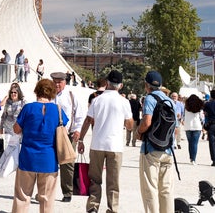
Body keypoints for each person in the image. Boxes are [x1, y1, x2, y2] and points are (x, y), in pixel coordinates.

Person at [76, 69, 133, 213]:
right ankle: (112, 208)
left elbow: (88, 120)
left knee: (95, 179)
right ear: (120, 85)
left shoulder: (96, 100)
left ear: (107, 82)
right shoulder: (124, 101)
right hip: (115, 146)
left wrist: (81, 139)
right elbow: (130, 125)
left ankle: (93, 206)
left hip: (97, 144)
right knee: (113, 181)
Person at [10, 77, 68, 213]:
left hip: (27, 159)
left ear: (37, 91)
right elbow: (63, 131)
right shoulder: (57, 111)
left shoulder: (28, 108)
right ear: (52, 93)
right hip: (49, 160)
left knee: (22, 198)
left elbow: (16, 129)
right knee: (46, 201)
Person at [137, 71, 175, 213]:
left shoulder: (150, 98)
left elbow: (147, 121)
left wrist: (139, 132)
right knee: (166, 190)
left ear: (146, 84)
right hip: (168, 150)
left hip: (151, 150)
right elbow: (174, 127)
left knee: (150, 188)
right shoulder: (170, 100)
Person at [52, 72, 85, 202]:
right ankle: (47, 191)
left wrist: (77, 130)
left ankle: (67, 192)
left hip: (68, 135)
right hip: (51, 134)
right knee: (50, 162)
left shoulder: (71, 95)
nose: (57, 84)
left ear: (65, 82)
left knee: (67, 163)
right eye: (55, 81)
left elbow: (80, 114)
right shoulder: (49, 96)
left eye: (59, 82)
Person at [181, 93, 205, 166]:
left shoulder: (186, 107)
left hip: (188, 126)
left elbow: (183, 116)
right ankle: (193, 159)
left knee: (190, 143)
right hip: (197, 126)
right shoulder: (199, 109)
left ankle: (191, 157)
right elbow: (202, 118)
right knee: (195, 144)